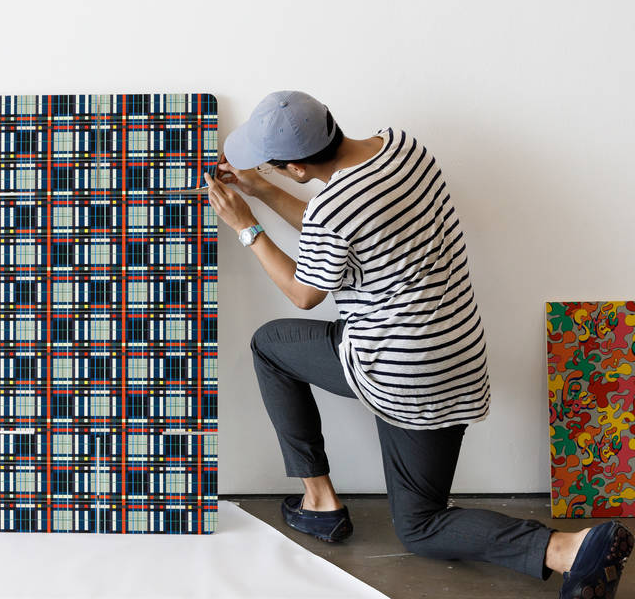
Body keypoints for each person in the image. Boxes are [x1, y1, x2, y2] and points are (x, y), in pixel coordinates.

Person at [203, 90, 633, 598]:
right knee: (421, 509)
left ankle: (568, 549)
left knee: (419, 526)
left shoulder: (333, 207)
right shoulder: (404, 147)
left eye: (275, 167)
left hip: (399, 373)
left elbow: (303, 291)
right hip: (456, 358)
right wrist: (262, 189)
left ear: (297, 168)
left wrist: (245, 227)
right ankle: (321, 504)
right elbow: (339, 231)